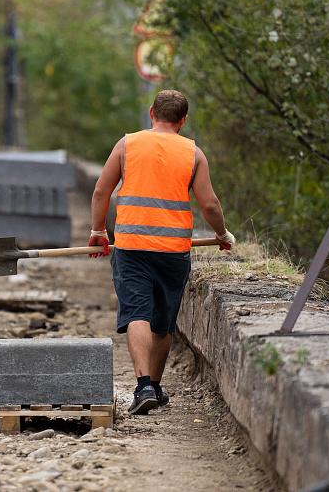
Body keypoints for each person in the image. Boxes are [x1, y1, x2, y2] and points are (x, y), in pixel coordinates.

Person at [89, 90, 236, 415]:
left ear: (152, 112)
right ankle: (154, 386)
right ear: (183, 120)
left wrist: (98, 231)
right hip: (173, 251)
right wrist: (222, 234)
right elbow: (210, 204)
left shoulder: (127, 145)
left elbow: (101, 190)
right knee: (163, 321)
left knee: (136, 313)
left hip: (132, 247)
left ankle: (144, 386)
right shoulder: (193, 153)